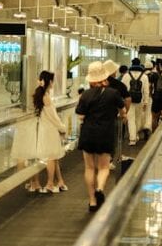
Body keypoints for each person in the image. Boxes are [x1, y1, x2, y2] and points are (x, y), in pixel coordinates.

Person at [77, 61, 125, 212]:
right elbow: (122, 110)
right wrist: (121, 116)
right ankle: (100, 188)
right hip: (105, 132)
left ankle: (92, 201)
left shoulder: (85, 94)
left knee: (89, 167)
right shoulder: (113, 93)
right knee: (103, 167)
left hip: (88, 133)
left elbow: (80, 116)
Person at [31, 71, 69, 192]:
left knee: (53, 156)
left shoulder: (40, 95)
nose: (53, 83)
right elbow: (54, 117)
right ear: (49, 82)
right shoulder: (46, 97)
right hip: (50, 130)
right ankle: (50, 184)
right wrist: (63, 128)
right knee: (51, 157)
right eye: (52, 80)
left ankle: (60, 181)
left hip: (44, 129)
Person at [121, 59, 150, 145]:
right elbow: (146, 91)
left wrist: (123, 100)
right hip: (139, 100)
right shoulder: (144, 76)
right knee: (138, 119)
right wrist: (146, 102)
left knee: (131, 119)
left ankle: (132, 139)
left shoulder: (126, 76)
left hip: (128, 100)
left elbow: (122, 89)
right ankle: (135, 135)